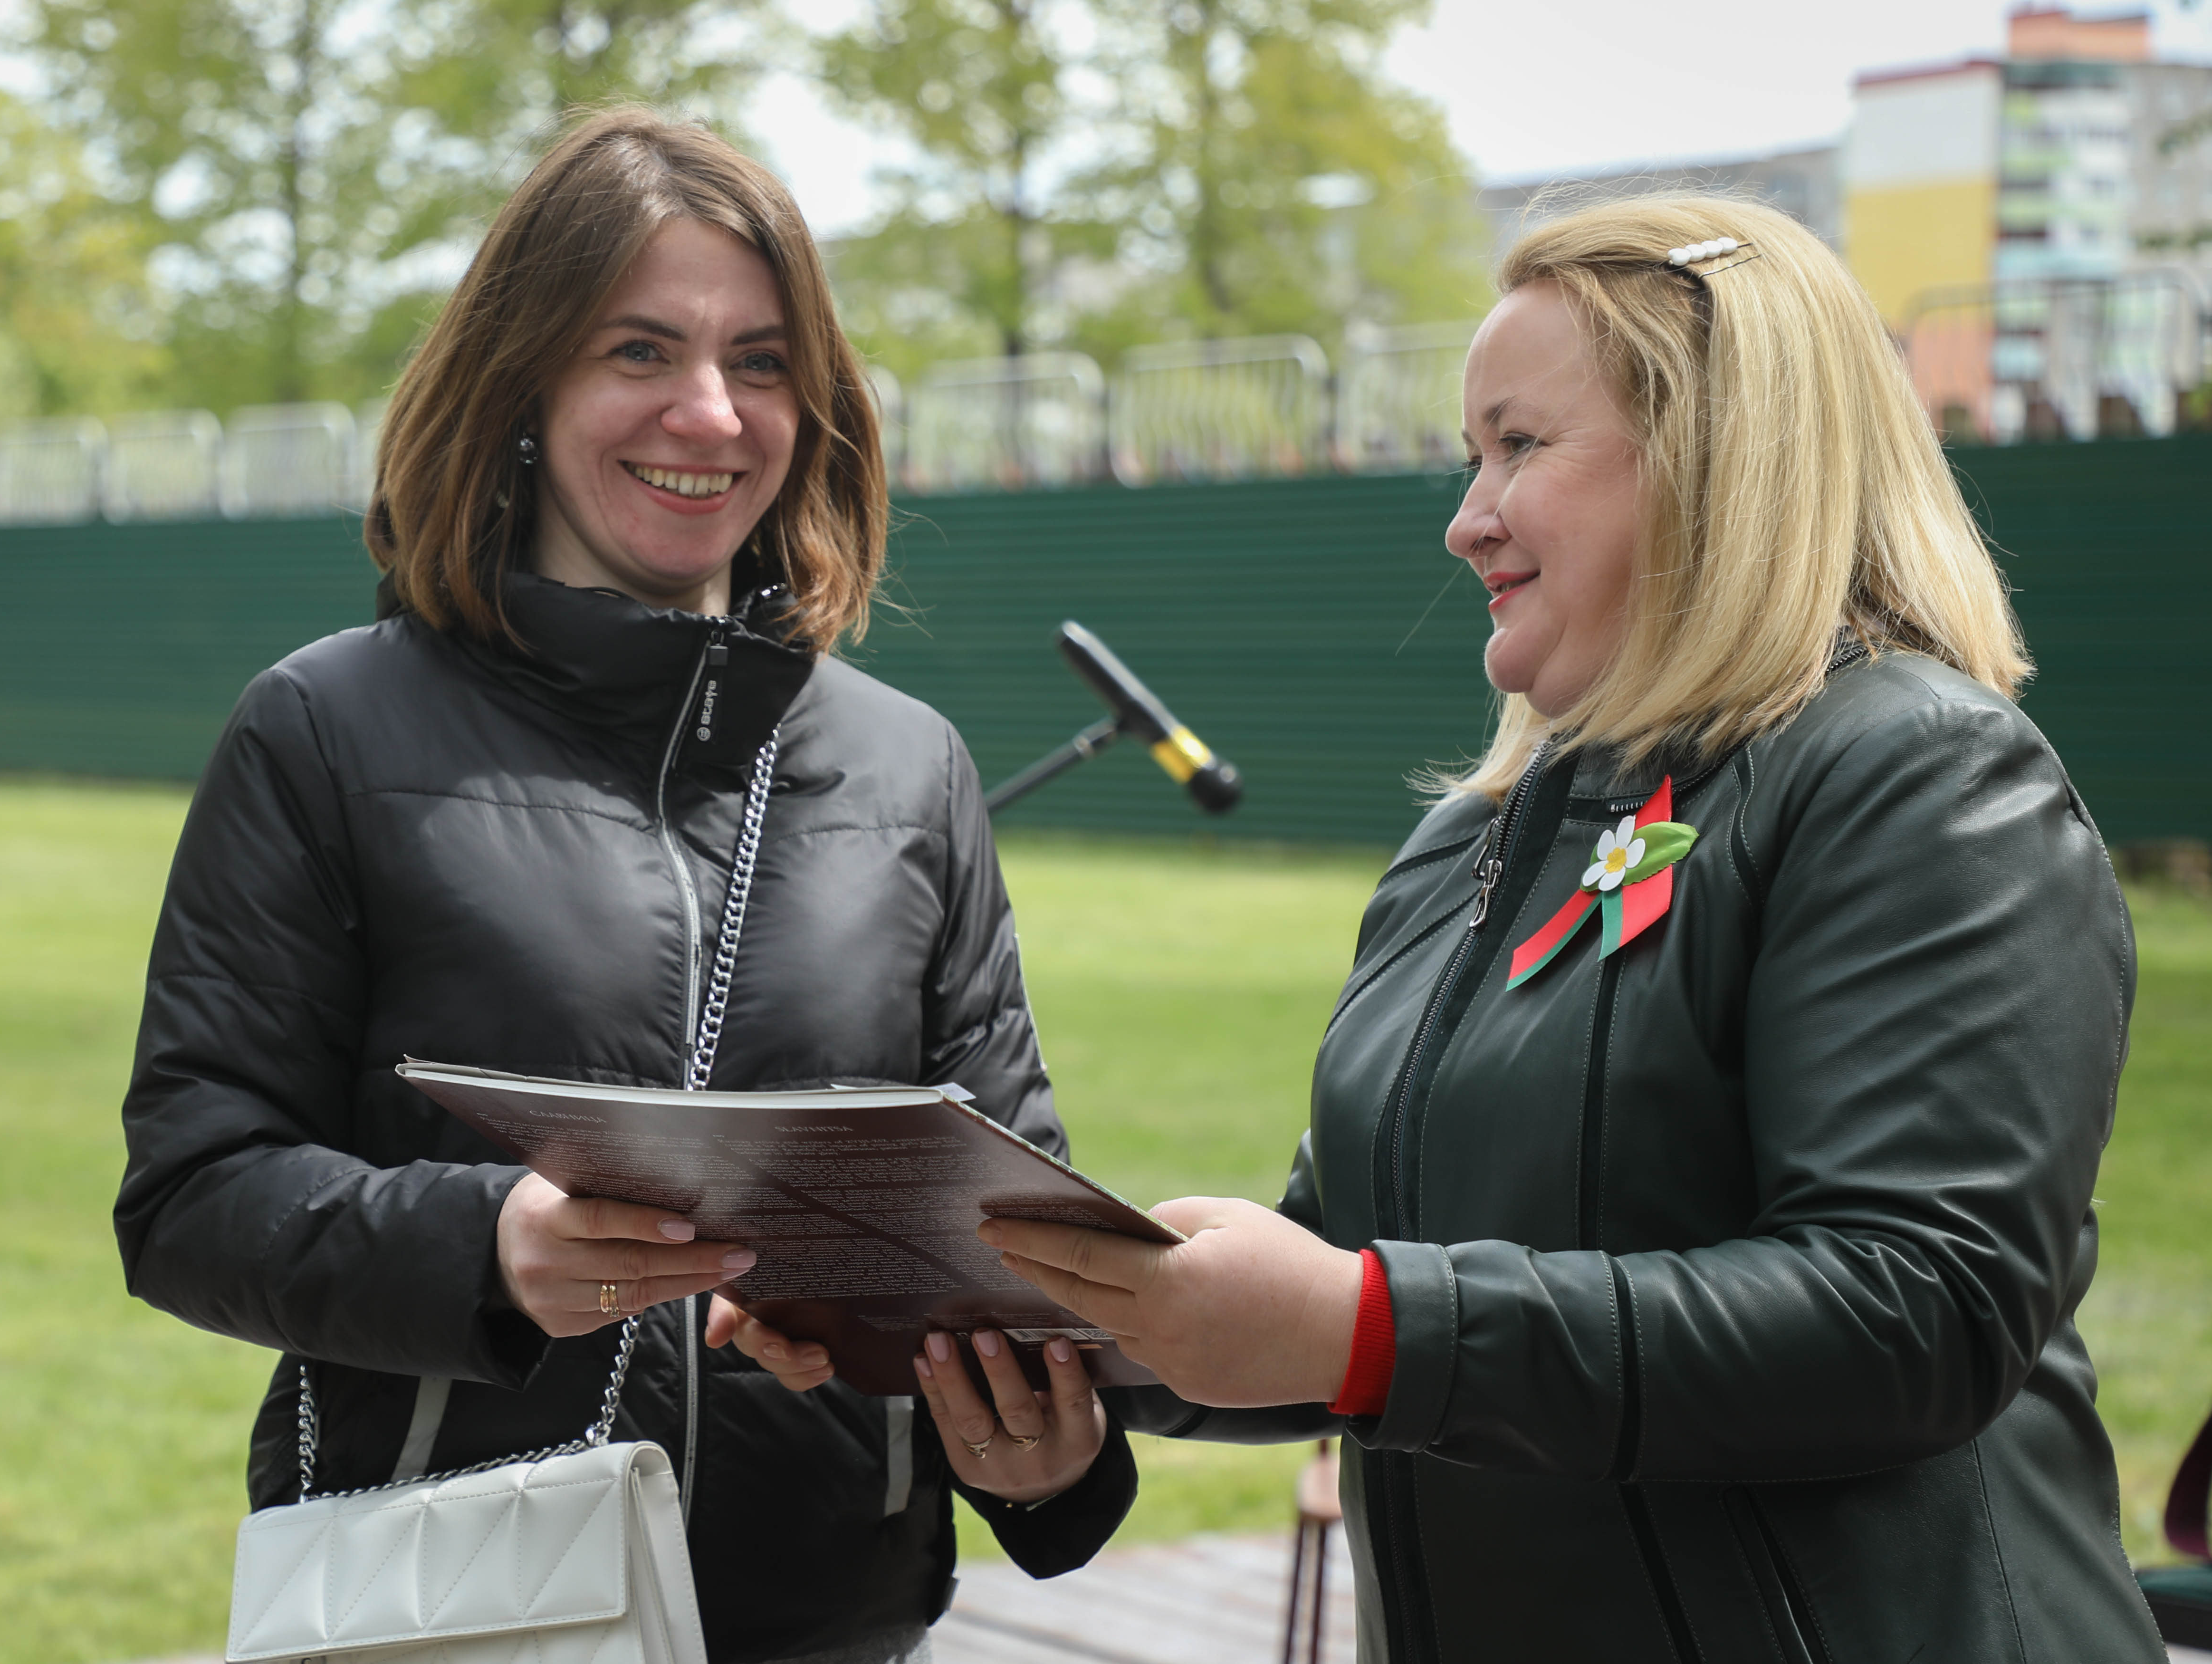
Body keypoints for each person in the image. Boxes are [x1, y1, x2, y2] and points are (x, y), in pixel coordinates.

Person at [983, 195, 2166, 1664]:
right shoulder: (1467, 841)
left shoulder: (1916, 771)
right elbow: (1353, 1263)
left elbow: (1911, 1311)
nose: (1463, 516)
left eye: (1519, 447)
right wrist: (1040, 1325)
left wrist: (1365, 1327)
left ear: (1716, 457)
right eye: (1473, 452)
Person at [114, 107, 1134, 1664]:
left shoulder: (905, 765)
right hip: (453, 1602)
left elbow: (1012, 1229)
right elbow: (191, 1198)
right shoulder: (323, 726)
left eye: (763, 362)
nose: (709, 414)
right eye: (639, 351)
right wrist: (490, 1249)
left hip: (832, 1616)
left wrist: (1048, 1455)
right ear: (524, 383)